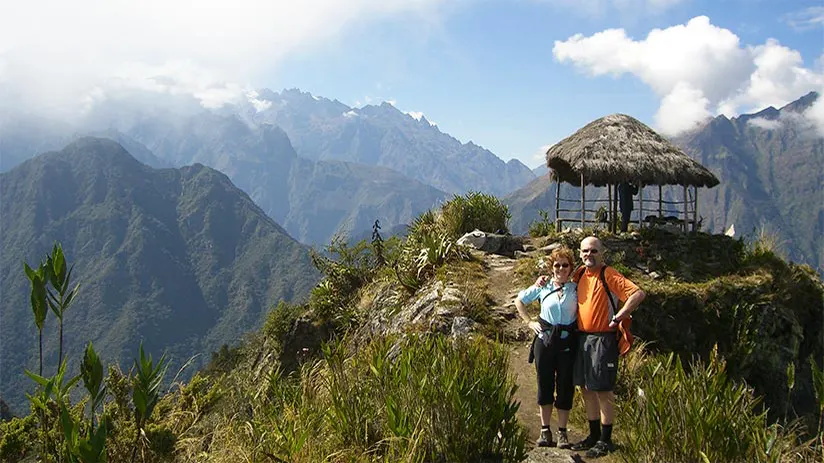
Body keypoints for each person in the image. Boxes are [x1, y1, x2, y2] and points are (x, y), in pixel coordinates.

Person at [567, 236, 645, 458]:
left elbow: (638, 293)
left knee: (603, 390)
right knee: (586, 388)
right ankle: (593, 436)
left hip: (603, 339)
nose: (588, 255)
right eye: (584, 251)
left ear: (602, 253)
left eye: (593, 251)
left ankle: (605, 439)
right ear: (580, 253)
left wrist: (620, 316)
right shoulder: (580, 274)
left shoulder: (608, 274)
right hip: (582, 338)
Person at [514, 247, 579, 449]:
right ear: (551, 267)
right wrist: (529, 322)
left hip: (568, 341)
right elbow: (519, 301)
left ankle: (562, 432)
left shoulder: (577, 288)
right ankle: (545, 430)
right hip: (545, 341)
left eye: (565, 265)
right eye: (557, 265)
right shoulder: (543, 286)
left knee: (565, 385)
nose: (561, 268)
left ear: (571, 268)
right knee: (545, 383)